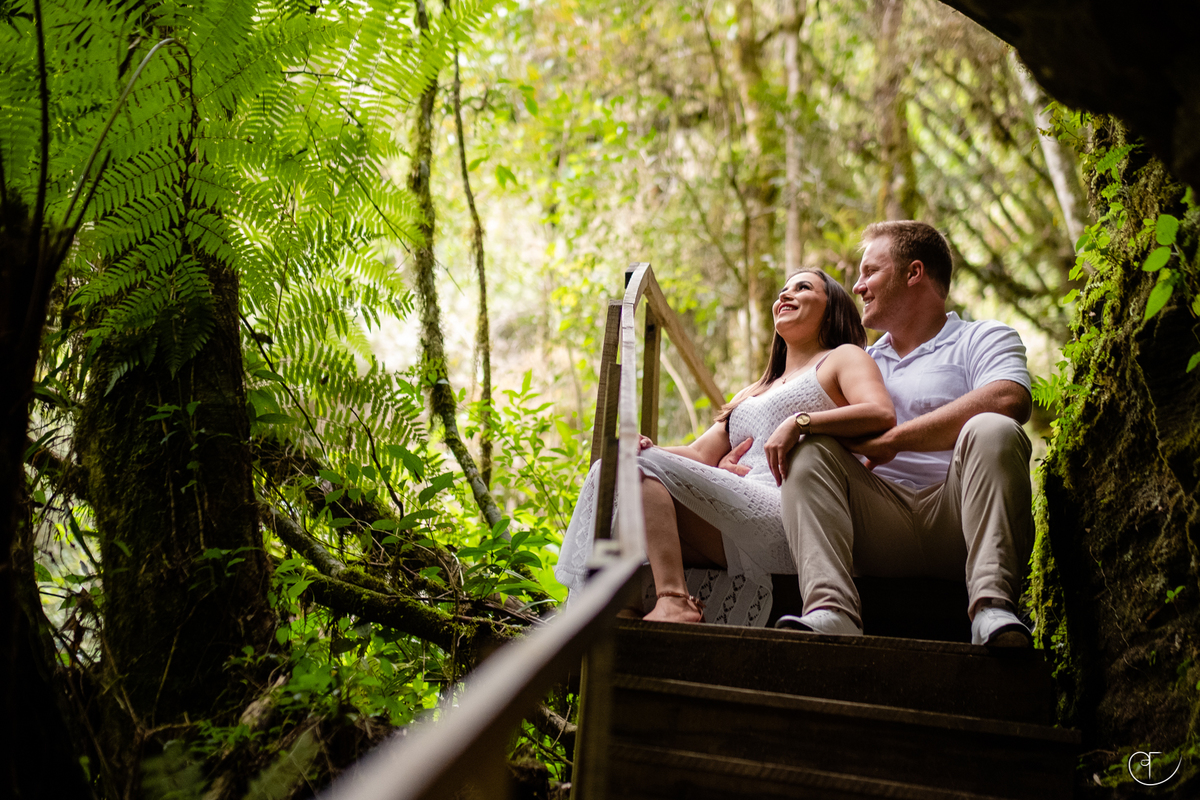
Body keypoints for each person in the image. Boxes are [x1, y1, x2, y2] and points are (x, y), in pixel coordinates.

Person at [554, 269, 895, 625]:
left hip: (794, 511)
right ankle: (607, 630)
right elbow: (700, 455)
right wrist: (646, 447)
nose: (785, 295)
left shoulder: (842, 358)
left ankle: (674, 599)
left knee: (639, 470)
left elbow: (880, 413)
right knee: (619, 470)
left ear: (832, 308)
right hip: (738, 510)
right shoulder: (752, 391)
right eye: (782, 290)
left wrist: (800, 421)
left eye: (803, 287)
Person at [775, 221, 1035, 646]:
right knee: (809, 450)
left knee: (994, 427)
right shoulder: (858, 362)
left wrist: (895, 439)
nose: (858, 286)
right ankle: (831, 610)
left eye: (870, 272)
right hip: (878, 522)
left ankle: (993, 608)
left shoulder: (983, 337)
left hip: (959, 517)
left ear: (914, 273)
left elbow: (1009, 399)